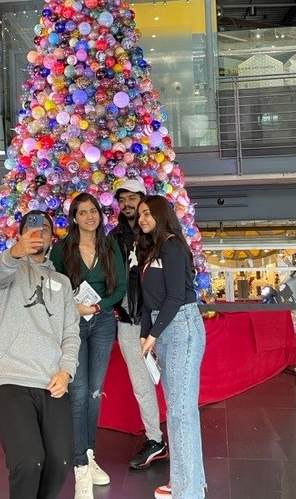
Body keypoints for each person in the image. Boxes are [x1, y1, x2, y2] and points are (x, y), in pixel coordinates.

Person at [0, 210, 80, 499]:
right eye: (32, 227)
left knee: (60, 461)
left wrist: (66, 371)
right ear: (19, 234)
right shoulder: (10, 270)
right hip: (12, 377)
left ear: (53, 237)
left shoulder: (63, 283)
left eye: (45, 228)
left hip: (52, 380)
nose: (38, 233)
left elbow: (70, 333)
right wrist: (15, 252)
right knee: (28, 461)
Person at [50, 192, 127, 499]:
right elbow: (54, 286)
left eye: (93, 211)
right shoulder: (62, 248)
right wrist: (73, 306)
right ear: (74, 218)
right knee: (78, 393)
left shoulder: (110, 246)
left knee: (95, 392)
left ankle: (89, 453)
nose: (89, 217)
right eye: (82, 213)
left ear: (100, 214)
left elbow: (120, 287)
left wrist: (95, 308)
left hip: (103, 323)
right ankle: (80, 464)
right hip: (72, 327)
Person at [136, 195, 206, 499]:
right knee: (179, 411)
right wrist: (145, 332)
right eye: (140, 214)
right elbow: (149, 300)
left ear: (162, 214)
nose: (142, 218)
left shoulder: (172, 246)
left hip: (182, 327)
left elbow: (176, 297)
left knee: (180, 412)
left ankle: (187, 491)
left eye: (148, 213)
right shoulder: (153, 248)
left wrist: (153, 334)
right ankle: (190, 483)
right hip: (164, 328)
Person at [110, 178, 168, 470]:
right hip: (130, 322)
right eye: (122, 200)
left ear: (143, 199)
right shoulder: (113, 237)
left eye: (132, 198)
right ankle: (155, 439)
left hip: (161, 318)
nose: (127, 205)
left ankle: (182, 437)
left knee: (172, 380)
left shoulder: (157, 234)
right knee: (142, 384)